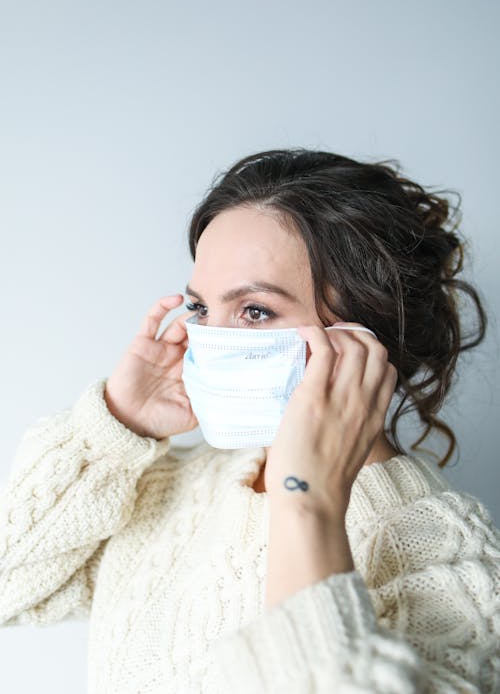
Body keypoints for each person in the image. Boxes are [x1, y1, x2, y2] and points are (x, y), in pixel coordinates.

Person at [1, 148, 499, 694]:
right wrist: (117, 427)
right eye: (200, 309)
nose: (208, 339)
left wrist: (308, 502)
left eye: (254, 311)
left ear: (361, 340)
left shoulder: (451, 560)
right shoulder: (171, 486)